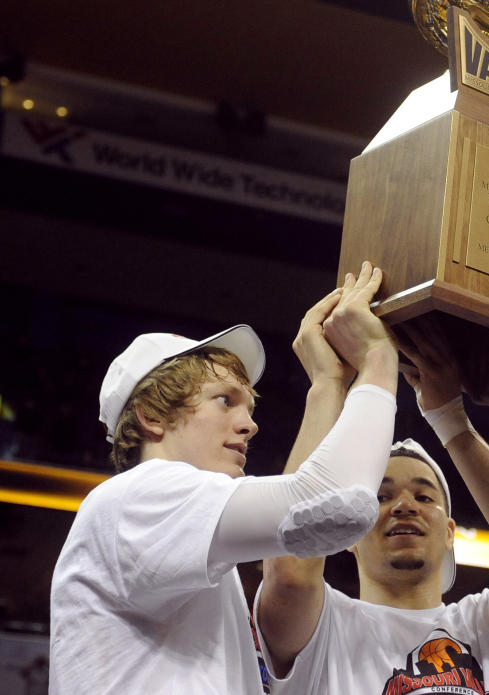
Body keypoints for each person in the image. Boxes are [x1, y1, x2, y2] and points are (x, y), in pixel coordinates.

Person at [49, 262, 399, 695]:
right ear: (153, 416)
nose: (249, 425)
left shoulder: (160, 520)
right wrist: (379, 359)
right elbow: (335, 506)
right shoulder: (140, 497)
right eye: (225, 401)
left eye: (249, 409)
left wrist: (327, 384)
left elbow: (306, 519)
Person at [254, 317, 489, 695]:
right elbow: (289, 570)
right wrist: (328, 385)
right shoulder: (326, 625)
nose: (405, 506)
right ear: (351, 535)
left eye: (424, 496)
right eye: (381, 497)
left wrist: (450, 419)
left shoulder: (488, 626)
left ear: (450, 534)